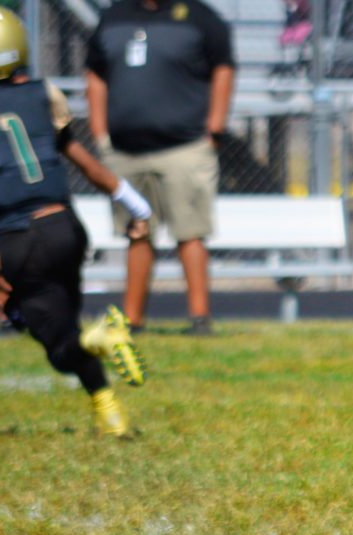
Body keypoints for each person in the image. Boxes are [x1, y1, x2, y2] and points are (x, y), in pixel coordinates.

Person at [0, 3, 152, 436]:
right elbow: (87, 164)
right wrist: (138, 206)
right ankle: (108, 411)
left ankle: (100, 338)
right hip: (66, 227)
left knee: (54, 341)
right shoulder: (40, 93)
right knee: (63, 321)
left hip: (19, 236)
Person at [85, 0, 235, 336]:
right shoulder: (113, 17)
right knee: (137, 233)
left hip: (184, 147)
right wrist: (99, 133)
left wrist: (215, 128)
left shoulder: (200, 17)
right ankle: (133, 320)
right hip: (125, 150)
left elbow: (223, 67)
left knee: (190, 233)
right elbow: (95, 72)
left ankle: (199, 319)